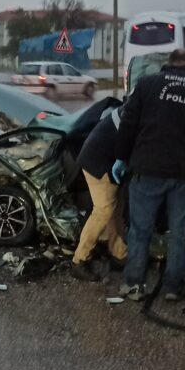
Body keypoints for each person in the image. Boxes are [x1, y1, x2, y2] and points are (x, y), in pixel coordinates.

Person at [113, 49, 185, 302]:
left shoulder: (146, 85)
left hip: (147, 169)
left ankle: (134, 284)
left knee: (140, 230)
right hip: (184, 175)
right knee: (180, 232)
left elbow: (128, 124)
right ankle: (173, 287)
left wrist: (120, 157)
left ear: (169, 63)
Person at [69, 107, 129, 282]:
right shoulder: (138, 112)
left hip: (102, 157)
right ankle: (79, 260)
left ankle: (118, 253)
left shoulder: (135, 106)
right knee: (104, 210)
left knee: (116, 209)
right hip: (98, 162)